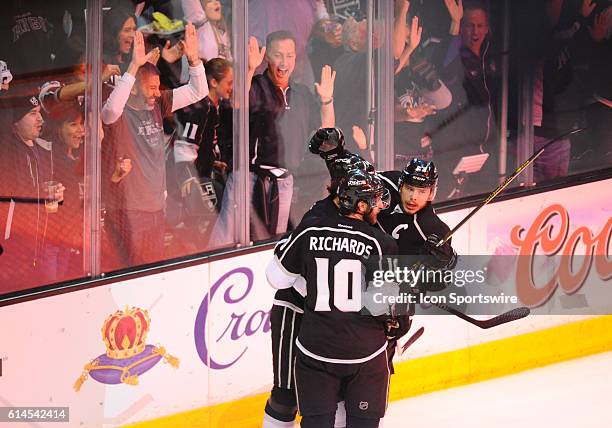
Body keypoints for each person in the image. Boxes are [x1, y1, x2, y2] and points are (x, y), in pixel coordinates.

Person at [266, 168, 397, 428]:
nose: (378, 207)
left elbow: (277, 279)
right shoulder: (380, 242)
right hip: (365, 355)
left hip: (316, 352)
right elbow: (386, 305)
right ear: (361, 205)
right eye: (373, 201)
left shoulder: (309, 230)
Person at [209, 31, 336, 247]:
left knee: (272, 245)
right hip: (248, 178)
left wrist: (326, 100)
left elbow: (327, 132)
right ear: (267, 57)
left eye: (289, 55)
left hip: (284, 181)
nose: (284, 62)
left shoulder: (302, 93)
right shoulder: (256, 85)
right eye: (278, 55)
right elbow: (237, 104)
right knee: (228, 241)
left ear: (296, 57)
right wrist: (249, 69)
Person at [100, 23, 208, 267]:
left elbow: (198, 91)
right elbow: (109, 112)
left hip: (156, 208)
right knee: (131, 273)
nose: (157, 93)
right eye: (150, 88)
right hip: (129, 212)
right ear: (134, 88)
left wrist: (193, 59)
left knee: (153, 272)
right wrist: (134, 66)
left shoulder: (159, 103)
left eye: (158, 88)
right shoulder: (119, 110)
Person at [0, 94, 65, 293]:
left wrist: (57, 197)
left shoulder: (42, 151)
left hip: (39, 251)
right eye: (32, 114)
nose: (40, 119)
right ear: (14, 123)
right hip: (11, 254)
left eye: (39, 113)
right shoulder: (6, 149)